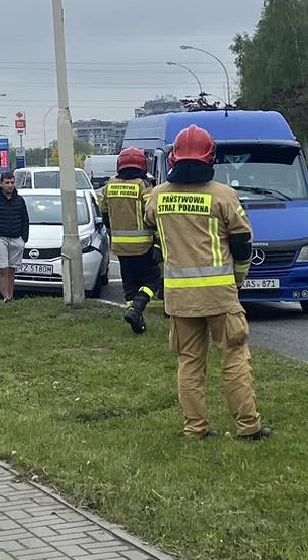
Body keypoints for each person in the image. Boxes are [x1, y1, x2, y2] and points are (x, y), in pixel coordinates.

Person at [144, 125, 271, 441]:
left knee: (189, 363)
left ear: (173, 158)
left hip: (180, 298)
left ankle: (195, 428)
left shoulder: (157, 197)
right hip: (219, 295)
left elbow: (151, 230)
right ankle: (247, 426)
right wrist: (238, 279)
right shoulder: (223, 196)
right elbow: (242, 245)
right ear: (210, 157)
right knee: (234, 359)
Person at [100, 146, 160, 333]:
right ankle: (137, 308)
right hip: (142, 245)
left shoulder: (109, 185)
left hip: (119, 246)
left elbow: (104, 214)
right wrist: (158, 242)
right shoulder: (143, 185)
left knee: (129, 286)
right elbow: (152, 214)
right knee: (152, 280)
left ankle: (136, 321)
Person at [0, 172, 30, 302]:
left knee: (11, 269)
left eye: (12, 182)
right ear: (1, 184)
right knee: (2, 268)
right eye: (7, 183)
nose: (10, 185)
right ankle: (5, 297)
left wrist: (24, 237)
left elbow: (25, 219)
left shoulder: (19, 200)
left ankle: (10, 295)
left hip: (16, 237)